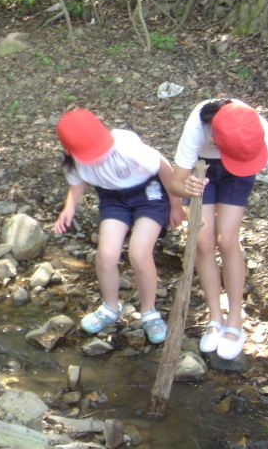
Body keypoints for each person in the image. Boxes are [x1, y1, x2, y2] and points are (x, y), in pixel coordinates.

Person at [53, 109, 184, 344]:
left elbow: (163, 166)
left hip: (149, 193)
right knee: (106, 255)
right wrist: (69, 207)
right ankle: (110, 307)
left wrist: (176, 204)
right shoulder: (73, 159)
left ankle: (149, 312)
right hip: (113, 198)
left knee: (139, 253)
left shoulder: (125, 144)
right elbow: (76, 183)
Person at [170, 99, 268, 360]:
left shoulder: (256, 129)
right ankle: (215, 317)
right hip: (203, 169)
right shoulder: (197, 126)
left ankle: (235, 320)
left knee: (226, 239)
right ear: (214, 139)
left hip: (240, 169)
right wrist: (188, 190)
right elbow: (175, 184)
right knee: (203, 241)